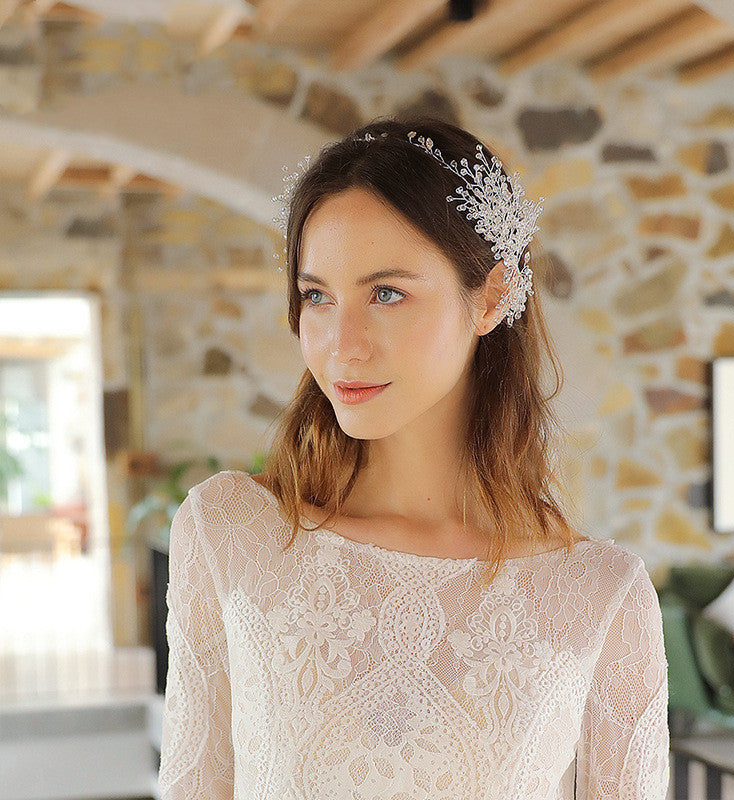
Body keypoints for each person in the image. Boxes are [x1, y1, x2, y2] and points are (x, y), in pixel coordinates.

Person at [157, 115, 670, 799]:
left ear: (490, 297)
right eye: (317, 296)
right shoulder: (229, 534)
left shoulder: (600, 596)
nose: (343, 344)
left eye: (387, 293)